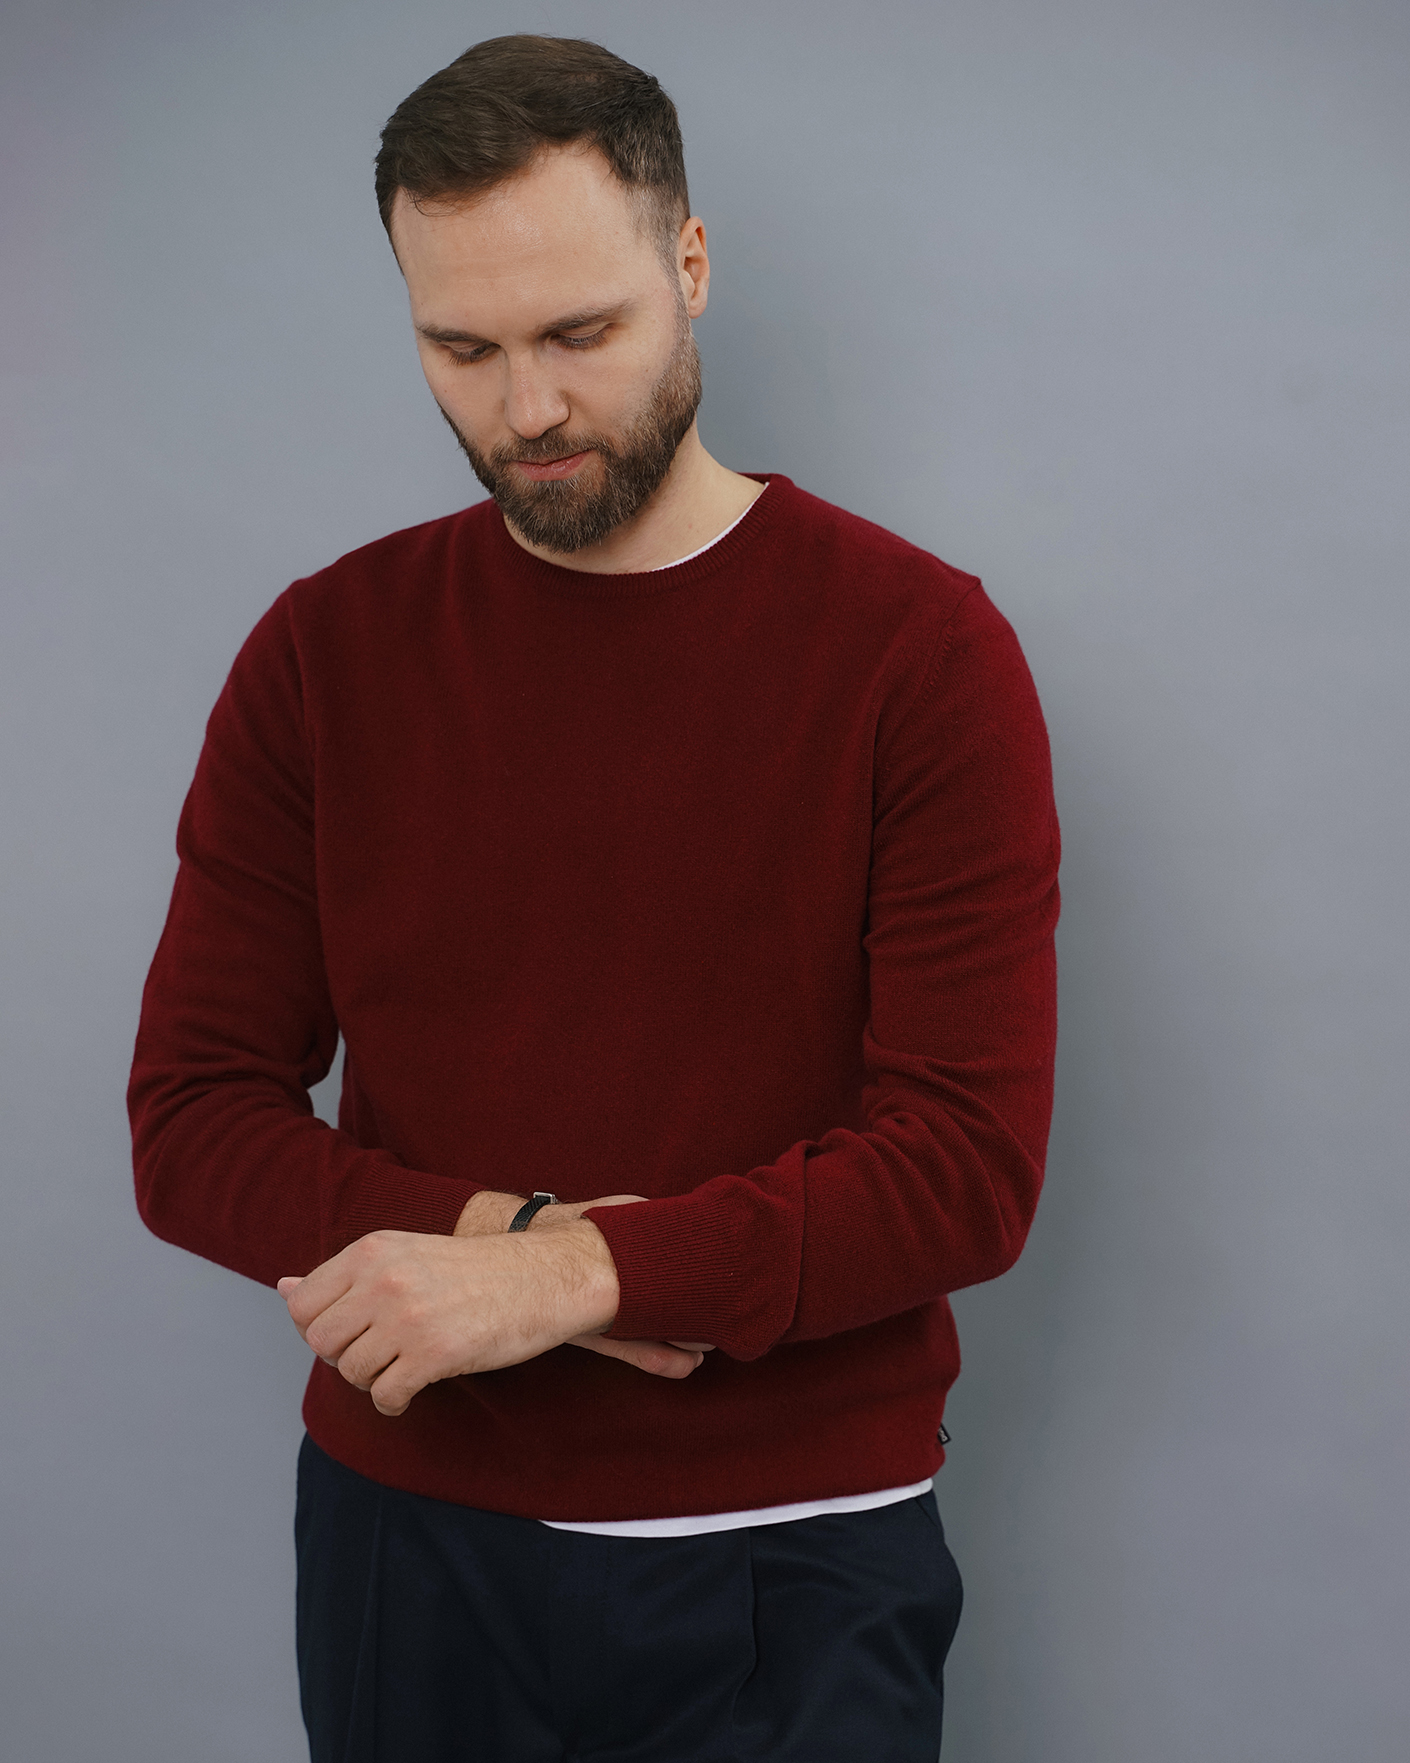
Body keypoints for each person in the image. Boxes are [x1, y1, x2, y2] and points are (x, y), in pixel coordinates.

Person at [128, 32, 1059, 1762]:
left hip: (793, 1551)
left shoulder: (918, 653)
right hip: (409, 1543)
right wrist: (513, 1237)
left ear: (688, 265)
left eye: (580, 333)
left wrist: (570, 1281)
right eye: (461, 349)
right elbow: (190, 1124)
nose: (528, 411)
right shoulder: (324, 653)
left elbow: (962, 1173)